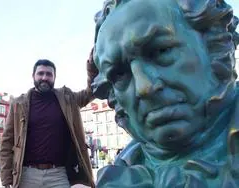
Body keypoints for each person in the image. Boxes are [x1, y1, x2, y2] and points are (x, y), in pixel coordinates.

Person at [92, 0, 239, 187]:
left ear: (212, 42)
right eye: (119, 74)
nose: (144, 88)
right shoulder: (120, 175)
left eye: (161, 51)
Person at [0, 49, 98, 188]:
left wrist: (91, 66)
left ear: (54, 77)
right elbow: (6, 143)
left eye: (49, 74)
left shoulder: (68, 99)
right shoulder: (18, 104)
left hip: (58, 174)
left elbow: (92, 91)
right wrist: (6, 178)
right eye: (40, 73)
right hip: (27, 175)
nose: (44, 77)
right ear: (33, 76)